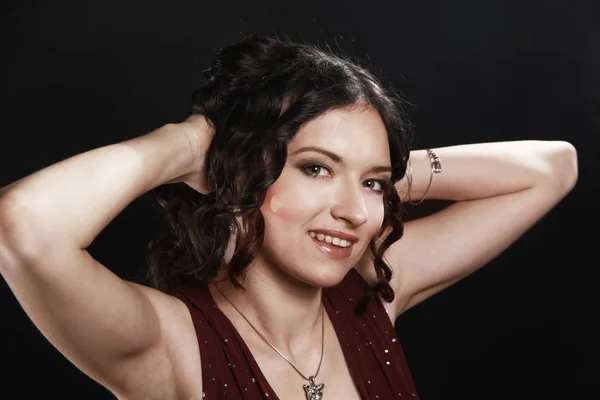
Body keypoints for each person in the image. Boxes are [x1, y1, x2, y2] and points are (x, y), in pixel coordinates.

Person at [0, 35, 577, 400]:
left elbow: (553, 167)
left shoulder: (370, 294)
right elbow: (21, 226)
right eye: (315, 169)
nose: (354, 213)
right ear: (245, 175)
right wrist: (190, 146)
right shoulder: (169, 343)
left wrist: (375, 176)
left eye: (371, 185)